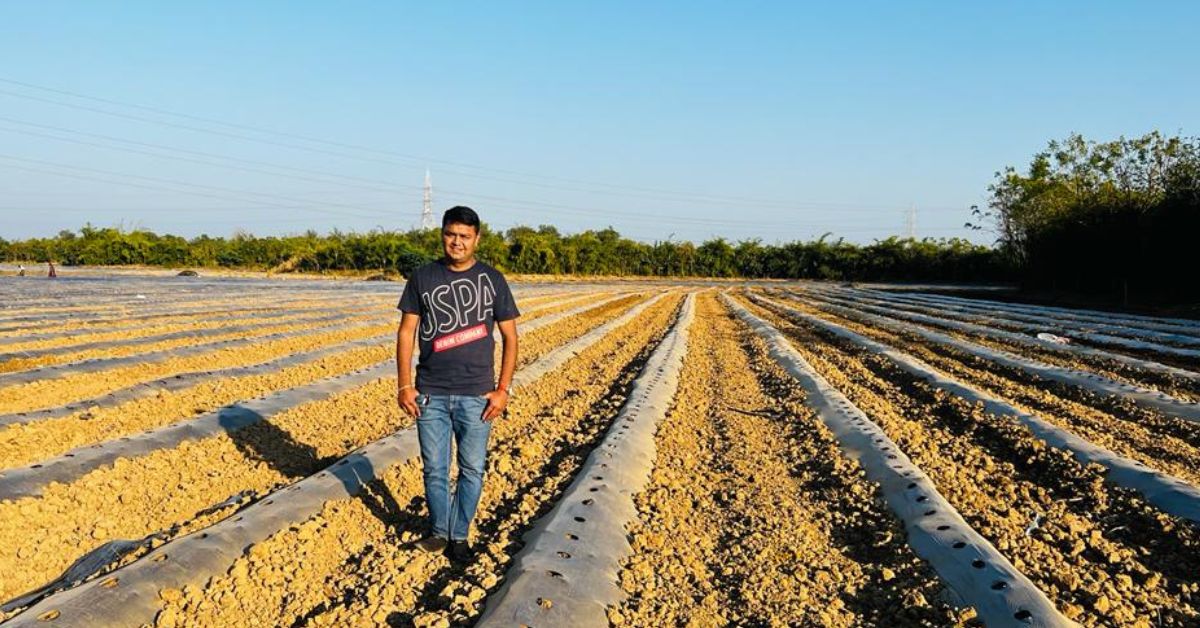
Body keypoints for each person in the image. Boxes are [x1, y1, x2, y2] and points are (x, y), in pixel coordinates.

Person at [396, 205, 520, 563]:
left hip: (477, 395)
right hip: (430, 393)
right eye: (451, 234)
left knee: (472, 470)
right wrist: (405, 385)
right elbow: (407, 333)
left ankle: (460, 536)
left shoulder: (493, 279)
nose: (457, 242)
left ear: (477, 239)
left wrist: (503, 389)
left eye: (465, 236)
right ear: (442, 236)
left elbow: (511, 337)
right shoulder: (423, 277)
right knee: (435, 469)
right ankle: (438, 532)